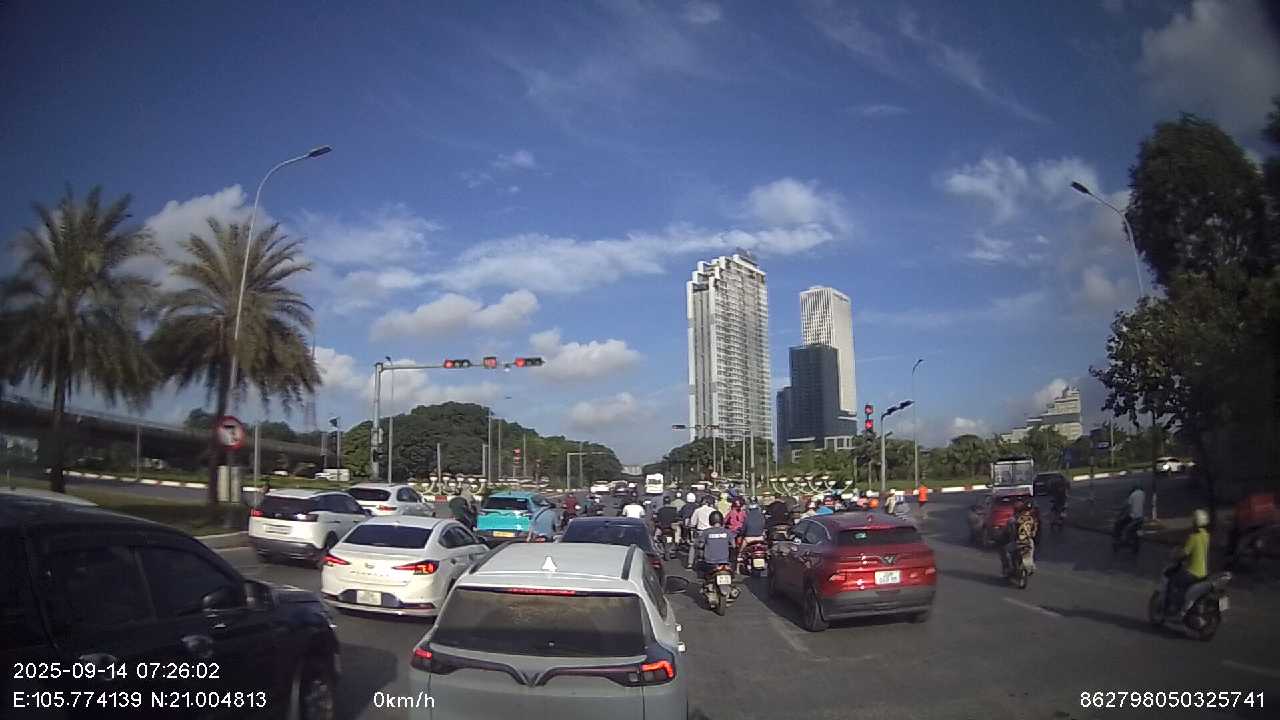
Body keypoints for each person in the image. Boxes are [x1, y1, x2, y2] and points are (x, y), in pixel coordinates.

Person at [1168, 509, 1211, 612]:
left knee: (1173, 581)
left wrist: (1176, 556)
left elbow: (1184, 553)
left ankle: (1175, 607)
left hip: (1192, 573)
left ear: (1195, 522)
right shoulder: (1206, 536)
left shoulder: (1193, 537)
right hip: (1204, 573)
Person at [1001, 497, 1040, 576]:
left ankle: (1008, 568)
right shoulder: (1032, 520)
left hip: (1017, 542)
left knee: (1004, 551)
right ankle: (1031, 566)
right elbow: (1036, 533)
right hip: (1028, 542)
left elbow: (1006, 532)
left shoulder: (1012, 520)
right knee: (1031, 552)